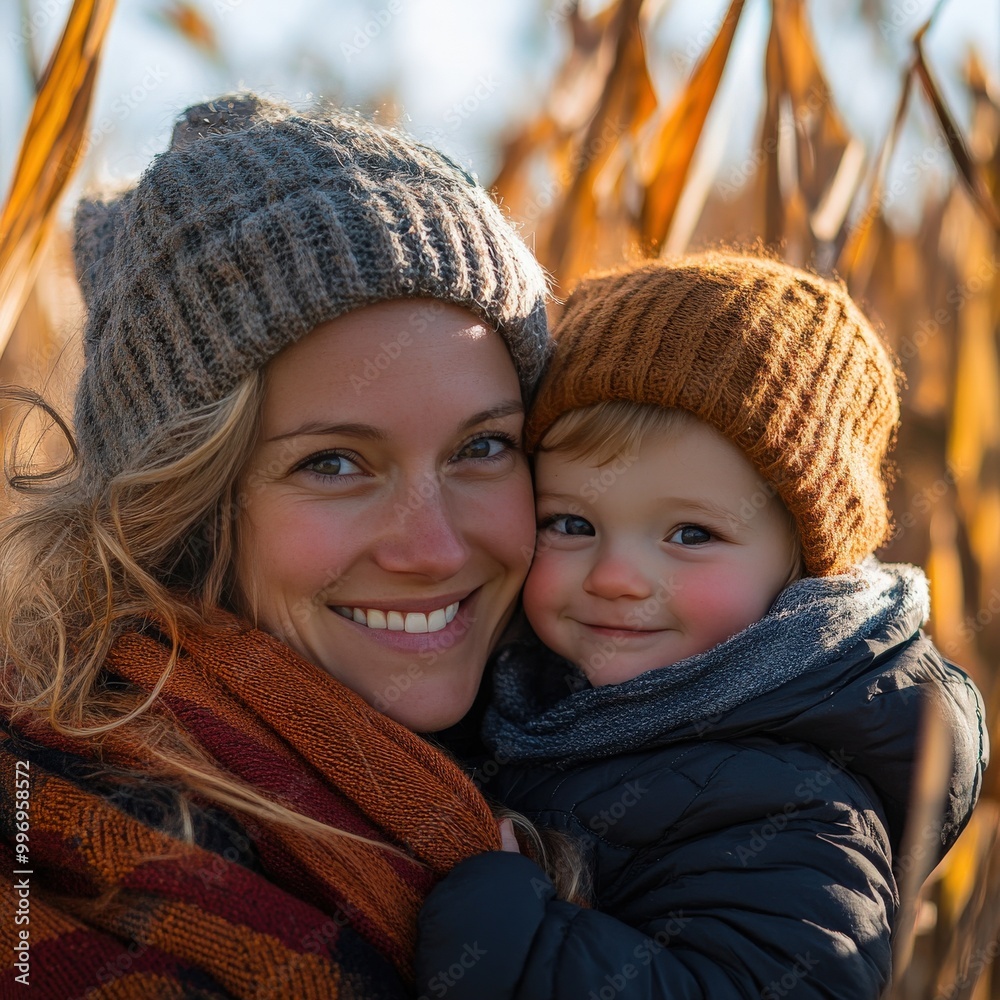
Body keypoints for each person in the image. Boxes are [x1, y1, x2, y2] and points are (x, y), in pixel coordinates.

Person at [0, 92, 561, 999]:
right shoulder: (53, 846)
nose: (431, 545)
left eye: (483, 447)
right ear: (183, 502)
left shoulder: (641, 744)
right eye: (335, 463)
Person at [416, 253, 989, 1000]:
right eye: (571, 523)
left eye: (690, 535)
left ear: (804, 568)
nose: (615, 576)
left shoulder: (802, 811)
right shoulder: (521, 691)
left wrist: (504, 942)